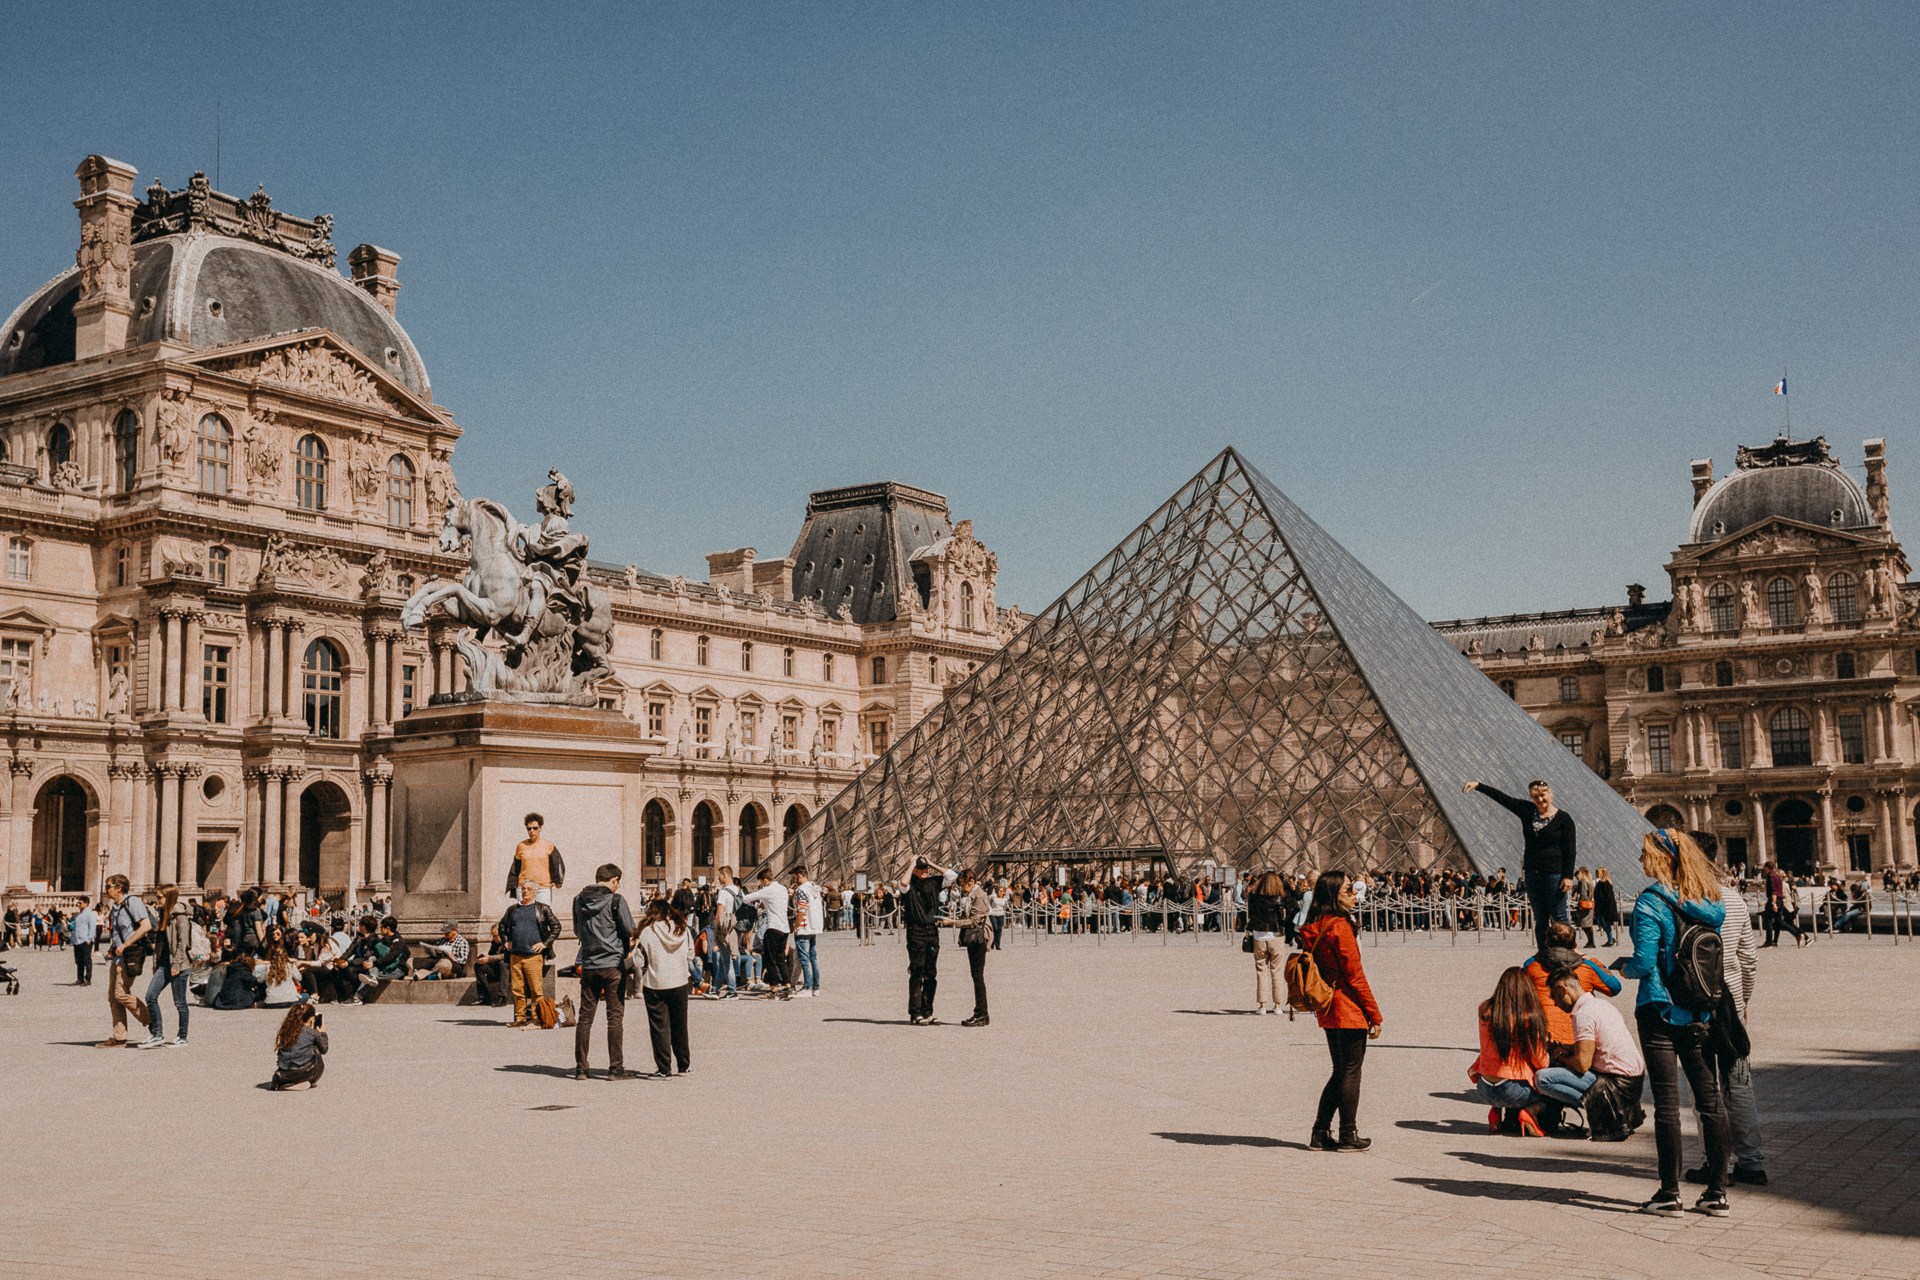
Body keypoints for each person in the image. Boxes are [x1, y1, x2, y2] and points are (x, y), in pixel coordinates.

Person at [1611, 828, 1733, 1218]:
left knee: (1666, 1104)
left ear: (1663, 858)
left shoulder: (1651, 901)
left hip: (1659, 1008)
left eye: (1645, 853)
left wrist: (1624, 969)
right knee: (1710, 1101)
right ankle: (1717, 1193)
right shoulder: (1708, 900)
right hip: (1700, 1009)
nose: (1640, 859)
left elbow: (1645, 961)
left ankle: (1669, 1194)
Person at [1689, 869, 1766, 1186]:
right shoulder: (1734, 899)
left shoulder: (1686, 897)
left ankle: (1716, 1162)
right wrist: (1743, 999)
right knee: (1740, 1084)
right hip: (1730, 1004)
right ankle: (1752, 1162)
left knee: (1704, 1086)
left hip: (1697, 1003)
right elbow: (1748, 958)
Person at [1297, 871, 1382, 1152]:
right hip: (1348, 1006)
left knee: (1340, 1071)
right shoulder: (1340, 927)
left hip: (1328, 1005)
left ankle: (1320, 1133)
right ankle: (1348, 1133)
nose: (1355, 893)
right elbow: (1355, 976)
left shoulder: (1315, 925)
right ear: (1334, 894)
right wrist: (1374, 1015)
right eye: (1348, 889)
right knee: (1351, 1072)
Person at [1532, 967, 1646, 1141]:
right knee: (1561, 1067)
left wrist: (1558, 1055)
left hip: (1615, 1085)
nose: (1555, 1003)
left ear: (1563, 990)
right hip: (1632, 1082)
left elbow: (1582, 1064)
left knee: (1543, 1079)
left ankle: (1606, 1113)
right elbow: (1594, 1046)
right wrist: (1562, 1047)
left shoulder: (1583, 1015)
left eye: (1554, 997)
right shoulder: (1600, 1005)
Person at [1461, 779, 1577, 951]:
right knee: (1540, 919)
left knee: (1560, 917)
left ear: (1550, 793)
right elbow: (1503, 799)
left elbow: (1570, 850)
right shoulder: (1527, 810)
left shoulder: (1564, 819)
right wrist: (1479, 786)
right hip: (1532, 874)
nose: (1540, 799)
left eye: (1543, 795)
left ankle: (1567, 953)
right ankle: (1544, 955)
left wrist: (1567, 876)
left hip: (1554, 874)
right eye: (1535, 797)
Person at [573, 863, 640, 1081]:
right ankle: (615, 1068)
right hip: (613, 965)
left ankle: (581, 1068)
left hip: (589, 964)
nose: (618, 886)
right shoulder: (616, 900)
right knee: (614, 1018)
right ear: (614, 880)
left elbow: (577, 930)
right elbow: (630, 930)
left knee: (585, 1018)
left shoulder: (578, 900)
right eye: (618, 882)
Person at [1467, 967, 1551, 1137]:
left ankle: (1495, 1113)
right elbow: (1540, 1061)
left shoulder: (1484, 1009)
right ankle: (1529, 1111)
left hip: (1484, 1088)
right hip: (1513, 1090)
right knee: (1552, 1094)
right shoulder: (1528, 1016)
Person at [632, 897, 692, 1077]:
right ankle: (684, 1066)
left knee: (659, 1027)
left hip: (656, 983)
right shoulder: (682, 928)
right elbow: (690, 954)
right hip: (680, 981)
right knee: (680, 1025)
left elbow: (639, 961)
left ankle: (664, 1069)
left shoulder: (647, 932)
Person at [136, 884, 195, 1049]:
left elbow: (183, 943)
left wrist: (177, 963)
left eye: (160, 897)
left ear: (169, 898)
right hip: (163, 964)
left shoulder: (180, 917)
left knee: (180, 1002)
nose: (157, 900)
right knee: (150, 996)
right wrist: (156, 963)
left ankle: (182, 1037)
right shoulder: (163, 914)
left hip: (179, 965)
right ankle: (157, 1034)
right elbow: (160, 943)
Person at [99, 875, 153, 1048]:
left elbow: (146, 926)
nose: (106, 889)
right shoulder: (115, 907)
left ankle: (152, 1021)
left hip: (130, 954)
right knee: (113, 997)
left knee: (121, 994)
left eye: (108, 886)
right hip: (118, 956)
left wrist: (126, 944)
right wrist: (113, 947)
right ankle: (119, 1037)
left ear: (119, 888)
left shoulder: (133, 902)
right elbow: (119, 933)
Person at [496, 881, 561, 1026]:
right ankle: (520, 1018)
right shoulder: (512, 909)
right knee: (517, 989)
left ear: (536, 892)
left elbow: (556, 926)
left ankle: (537, 1018)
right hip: (516, 956)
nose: (525, 891)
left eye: (529, 889)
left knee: (536, 990)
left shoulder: (542, 909)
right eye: (523, 889)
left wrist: (545, 943)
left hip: (534, 956)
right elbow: (502, 926)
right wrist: (505, 941)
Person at [903, 856, 955, 1025]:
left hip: (931, 932)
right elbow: (903, 883)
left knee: (931, 973)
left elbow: (952, 876)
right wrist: (911, 864)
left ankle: (928, 1012)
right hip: (915, 932)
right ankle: (915, 1013)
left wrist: (931, 863)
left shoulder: (933, 882)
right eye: (922, 868)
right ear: (914, 870)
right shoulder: (909, 886)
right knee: (917, 972)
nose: (925, 871)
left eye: (926, 868)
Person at [937, 867, 992, 1027]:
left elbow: (974, 921)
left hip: (979, 938)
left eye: (963, 885)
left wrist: (953, 922)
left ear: (971, 882)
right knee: (976, 976)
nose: (962, 889)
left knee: (978, 976)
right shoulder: (972, 895)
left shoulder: (979, 896)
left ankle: (981, 1013)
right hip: (974, 938)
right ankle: (981, 1013)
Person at [740, 867, 792, 998]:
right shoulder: (783, 889)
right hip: (785, 928)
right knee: (781, 959)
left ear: (764, 880)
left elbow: (747, 899)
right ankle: (787, 987)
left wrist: (741, 894)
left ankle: (773, 991)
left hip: (773, 928)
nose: (762, 885)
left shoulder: (768, 890)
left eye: (761, 883)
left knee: (770, 960)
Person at [1247, 871, 1287, 1014]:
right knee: (1277, 971)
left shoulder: (1254, 896)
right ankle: (1277, 1005)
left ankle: (1262, 1005)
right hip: (1275, 935)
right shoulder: (1279, 897)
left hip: (1259, 935)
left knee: (1261, 971)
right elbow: (1281, 918)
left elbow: (1251, 914)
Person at [506, 812, 566, 905]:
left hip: (543, 888)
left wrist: (558, 880)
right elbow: (516, 867)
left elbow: (557, 863)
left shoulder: (548, 845)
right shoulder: (521, 846)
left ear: (540, 828)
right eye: (529, 829)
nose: (532, 831)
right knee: (524, 914)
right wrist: (513, 885)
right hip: (524, 888)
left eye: (535, 828)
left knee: (542, 914)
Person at [270, 1004, 327, 1091]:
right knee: (315, 1048)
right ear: (312, 1019)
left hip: (284, 1069)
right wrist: (323, 1033)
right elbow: (324, 1049)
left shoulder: (286, 1030)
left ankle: (282, 1079)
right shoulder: (312, 1032)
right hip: (303, 1070)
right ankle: (304, 1079)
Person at [790, 866, 824, 998]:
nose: (793, 880)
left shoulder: (802, 889)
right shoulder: (815, 888)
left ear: (799, 875)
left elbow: (802, 909)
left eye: (794, 877)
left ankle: (807, 987)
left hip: (804, 927)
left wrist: (796, 926)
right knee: (812, 958)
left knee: (804, 959)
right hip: (814, 926)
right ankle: (816, 987)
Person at [255, 936, 309, 1009]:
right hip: (290, 1001)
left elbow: (259, 980)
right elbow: (299, 978)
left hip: (271, 1003)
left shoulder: (267, 967)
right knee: (306, 995)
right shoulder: (290, 966)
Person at [1761, 862, 1806, 948]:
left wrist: (1773, 903)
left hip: (1774, 900)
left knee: (1768, 920)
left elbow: (1774, 890)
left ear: (1767, 868)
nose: (1763, 869)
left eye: (1764, 867)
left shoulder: (1771, 876)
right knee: (1779, 921)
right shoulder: (1777, 876)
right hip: (1780, 901)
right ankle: (1797, 934)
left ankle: (1768, 942)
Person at [71, 899, 98, 986]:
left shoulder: (90, 914)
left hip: (85, 940)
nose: (78, 904)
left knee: (87, 960)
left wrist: (89, 939)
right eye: (78, 903)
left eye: (80, 903)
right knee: (79, 961)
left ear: (86, 903)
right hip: (77, 940)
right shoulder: (78, 914)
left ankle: (88, 979)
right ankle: (80, 978)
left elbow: (92, 928)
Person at [1593, 868, 1621, 947]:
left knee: (1604, 923)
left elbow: (1605, 896)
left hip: (1604, 907)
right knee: (1601, 922)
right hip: (1605, 906)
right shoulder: (1606, 883)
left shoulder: (1604, 883)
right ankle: (1610, 938)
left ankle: (1610, 940)